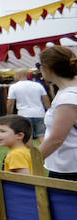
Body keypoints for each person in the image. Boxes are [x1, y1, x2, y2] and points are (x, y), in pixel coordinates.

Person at [37, 46, 77, 182]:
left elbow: (56, 139)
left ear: (47, 68)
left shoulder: (69, 97)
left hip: (69, 169)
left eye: (39, 66)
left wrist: (30, 159)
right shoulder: (67, 91)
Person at [7, 69, 50, 142]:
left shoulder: (14, 87)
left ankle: (29, 153)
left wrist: (9, 114)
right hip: (39, 113)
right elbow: (46, 99)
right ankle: (44, 153)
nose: (14, 76)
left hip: (24, 114)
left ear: (18, 75)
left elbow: (10, 103)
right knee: (41, 135)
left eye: (15, 75)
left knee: (27, 137)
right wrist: (49, 110)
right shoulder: (38, 85)